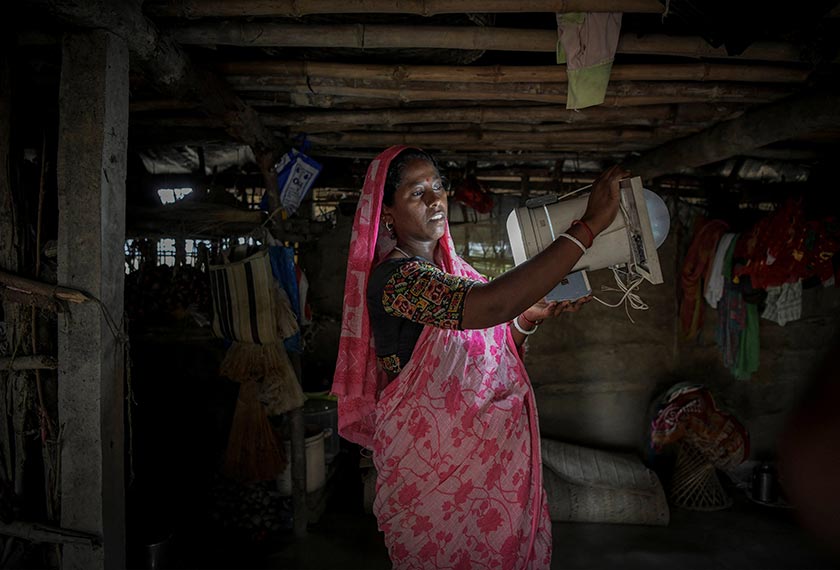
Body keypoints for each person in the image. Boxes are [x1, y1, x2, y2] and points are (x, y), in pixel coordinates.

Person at [332, 145, 627, 568]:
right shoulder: (396, 280)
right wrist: (590, 226)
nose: (435, 200)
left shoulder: (457, 273)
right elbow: (488, 307)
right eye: (417, 193)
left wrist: (526, 319)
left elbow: (492, 347)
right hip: (433, 475)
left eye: (437, 187)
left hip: (487, 476)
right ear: (389, 215)